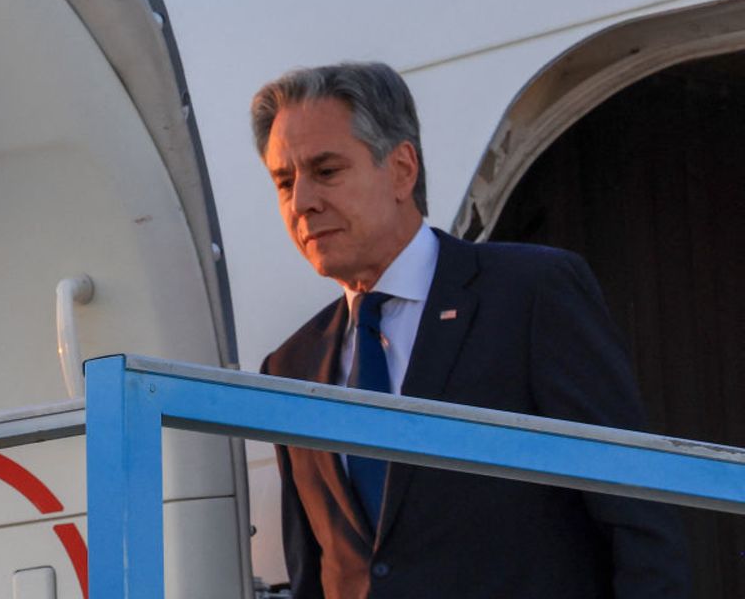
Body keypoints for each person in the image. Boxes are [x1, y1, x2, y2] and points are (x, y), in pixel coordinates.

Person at [252, 62, 688, 598]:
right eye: (284, 181)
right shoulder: (289, 369)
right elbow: (316, 576)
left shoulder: (531, 294)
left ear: (402, 169)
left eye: (326, 171)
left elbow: (639, 513)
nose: (302, 203)